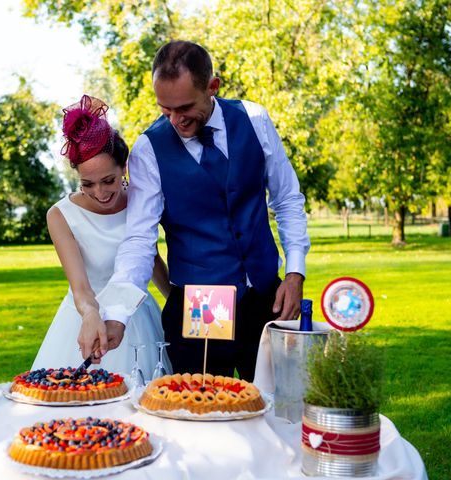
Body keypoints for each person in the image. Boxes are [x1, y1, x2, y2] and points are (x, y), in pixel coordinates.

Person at [98, 40, 310, 381]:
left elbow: (286, 198)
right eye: (165, 110)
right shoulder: (148, 150)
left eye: (184, 108)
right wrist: (117, 314)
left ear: (213, 87)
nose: (175, 120)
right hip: (200, 306)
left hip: (266, 297)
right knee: (204, 417)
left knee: (282, 410)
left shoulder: (254, 119)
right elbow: (139, 239)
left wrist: (295, 272)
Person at [31, 95, 172, 376]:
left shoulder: (140, 201)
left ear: (124, 167)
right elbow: (80, 288)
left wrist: (175, 301)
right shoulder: (60, 215)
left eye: (108, 180)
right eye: (87, 184)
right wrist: (91, 313)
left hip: (137, 315)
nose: (100, 193)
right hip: (84, 316)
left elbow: (151, 260)